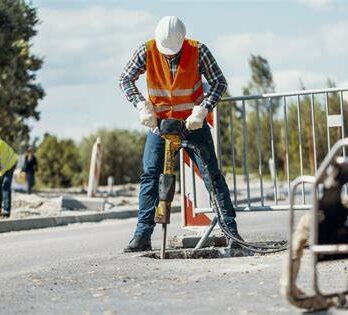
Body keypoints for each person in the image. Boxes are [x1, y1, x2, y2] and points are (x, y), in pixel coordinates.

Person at [119, 16, 242, 252]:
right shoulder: (147, 50)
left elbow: (219, 83)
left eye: (172, 51)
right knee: (150, 176)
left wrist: (203, 109)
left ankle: (231, 232)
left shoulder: (198, 50)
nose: (167, 55)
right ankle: (142, 235)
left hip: (192, 124)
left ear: (182, 40)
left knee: (212, 176)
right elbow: (125, 79)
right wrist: (141, 104)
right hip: (160, 125)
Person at [0, 138, 18, 218]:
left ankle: (6, 210)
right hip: (3, 168)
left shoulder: (0, 144)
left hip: (11, 164)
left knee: (5, 185)